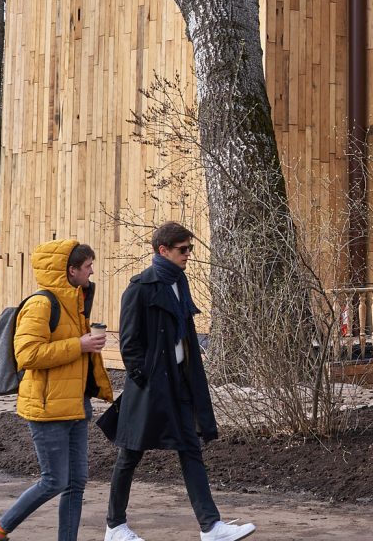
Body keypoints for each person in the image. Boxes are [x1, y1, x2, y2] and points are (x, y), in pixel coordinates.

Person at [99, 222, 254, 541]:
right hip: (150, 387)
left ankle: (211, 527)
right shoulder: (140, 288)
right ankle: (115, 526)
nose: (188, 255)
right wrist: (145, 377)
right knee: (130, 453)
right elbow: (129, 343)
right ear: (163, 251)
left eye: (190, 249)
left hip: (180, 383)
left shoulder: (178, 281)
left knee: (190, 448)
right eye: (183, 250)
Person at [0, 239, 112, 541]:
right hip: (47, 407)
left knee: (76, 482)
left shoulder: (76, 304)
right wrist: (79, 345)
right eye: (88, 266)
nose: (92, 272)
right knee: (54, 481)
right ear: (71, 269)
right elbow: (28, 355)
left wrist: (89, 348)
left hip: (76, 404)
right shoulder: (41, 304)